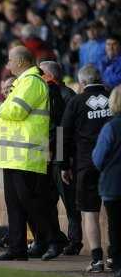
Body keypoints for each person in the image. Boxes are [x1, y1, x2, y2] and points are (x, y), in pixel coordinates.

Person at [0, 46, 56, 261]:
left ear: (21, 62)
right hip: (14, 155)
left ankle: (54, 239)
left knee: (30, 202)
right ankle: (17, 248)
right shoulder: (23, 82)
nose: (7, 65)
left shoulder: (31, 82)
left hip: (26, 156)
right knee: (14, 204)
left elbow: (16, 112)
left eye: (9, 60)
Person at [61, 65, 112, 272]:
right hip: (113, 166)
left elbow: (62, 134)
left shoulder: (76, 102)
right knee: (114, 213)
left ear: (82, 83)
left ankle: (97, 259)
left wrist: (63, 165)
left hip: (86, 165)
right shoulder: (114, 98)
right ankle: (115, 256)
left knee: (90, 213)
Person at [39, 61, 83, 255]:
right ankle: (56, 239)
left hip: (61, 158)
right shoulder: (50, 94)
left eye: (41, 73)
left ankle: (74, 242)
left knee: (70, 203)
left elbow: (63, 131)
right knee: (48, 203)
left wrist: (60, 156)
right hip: (51, 156)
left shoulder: (66, 96)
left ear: (49, 76)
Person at [92, 86, 121, 277]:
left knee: (116, 229)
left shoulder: (111, 127)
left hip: (114, 185)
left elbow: (98, 158)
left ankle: (119, 268)